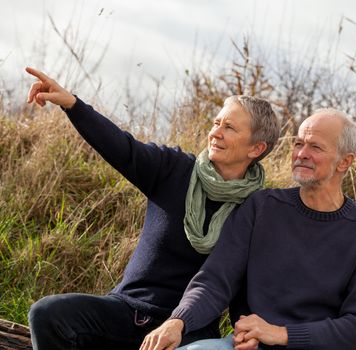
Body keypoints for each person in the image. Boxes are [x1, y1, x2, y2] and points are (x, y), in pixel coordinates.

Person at [24, 67, 280, 350]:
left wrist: (246, 331)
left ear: (256, 149)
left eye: (229, 127)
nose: (215, 133)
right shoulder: (174, 169)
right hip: (126, 310)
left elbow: (244, 283)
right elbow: (122, 147)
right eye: (216, 123)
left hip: (188, 330)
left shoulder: (257, 210)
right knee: (47, 313)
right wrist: (72, 104)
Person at [140, 109, 356, 350]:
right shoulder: (262, 207)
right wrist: (178, 321)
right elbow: (215, 280)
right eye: (298, 143)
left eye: (315, 147)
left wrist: (280, 334)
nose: (301, 153)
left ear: (345, 161)